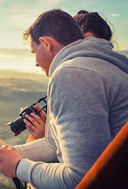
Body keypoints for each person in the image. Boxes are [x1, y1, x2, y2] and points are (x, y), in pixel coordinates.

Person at [0, 9, 128, 189]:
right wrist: (6, 155)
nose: (36, 63)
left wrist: (18, 167)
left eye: (34, 52)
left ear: (46, 44)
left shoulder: (72, 73)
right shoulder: (101, 66)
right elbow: (56, 143)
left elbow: (81, 180)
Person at [25, 10, 114, 140]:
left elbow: (84, 154)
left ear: (87, 38)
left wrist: (46, 137)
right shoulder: (114, 72)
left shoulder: (75, 77)